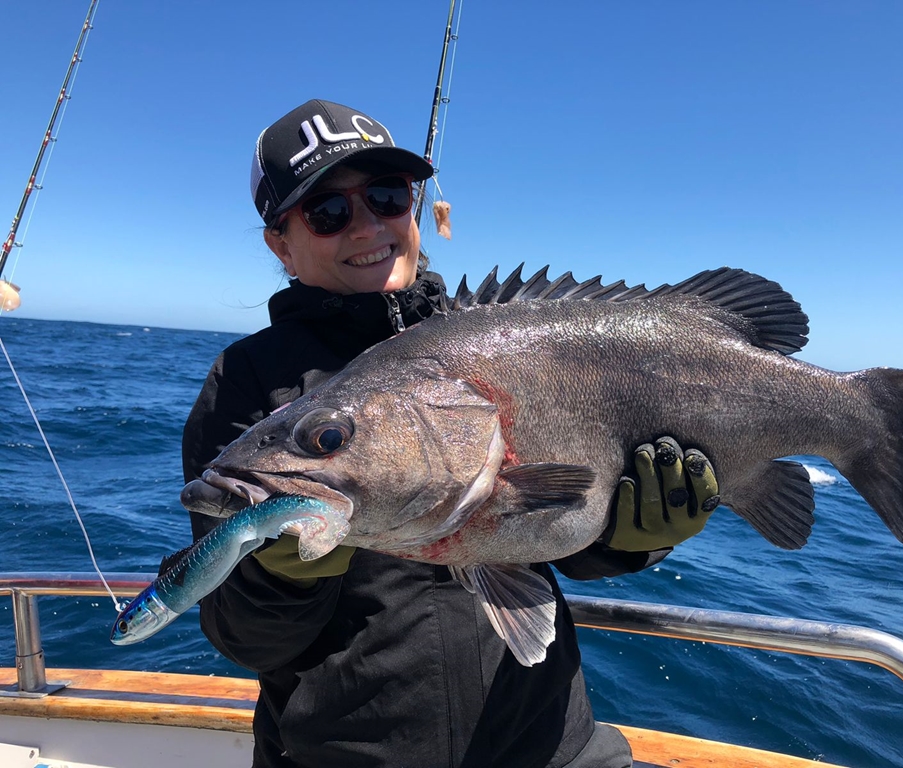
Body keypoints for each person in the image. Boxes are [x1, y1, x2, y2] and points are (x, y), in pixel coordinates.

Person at [180, 98, 720, 768]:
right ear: (280, 244)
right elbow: (244, 637)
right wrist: (279, 579)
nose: (366, 225)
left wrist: (633, 537)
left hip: (552, 746)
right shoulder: (247, 380)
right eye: (328, 212)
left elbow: (560, 544)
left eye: (387, 196)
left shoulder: (498, 338)